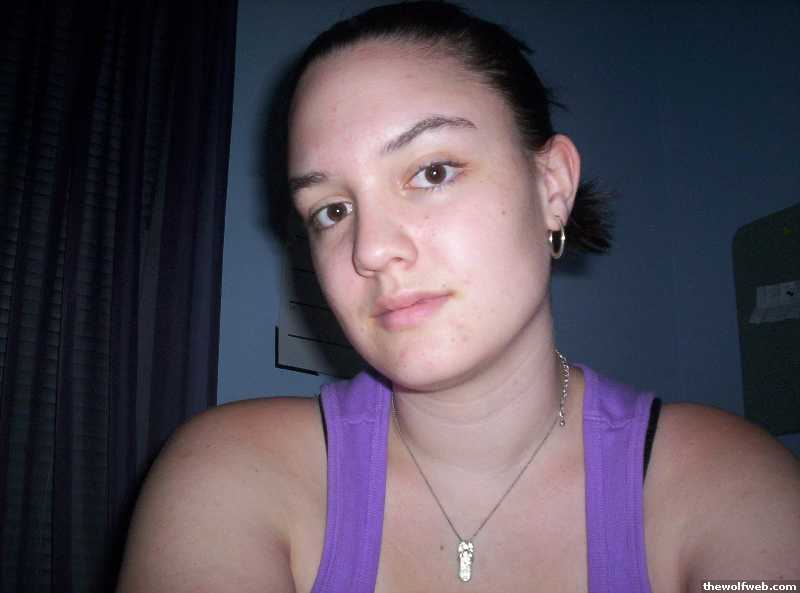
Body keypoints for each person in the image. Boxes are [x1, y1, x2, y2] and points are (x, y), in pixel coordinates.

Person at [116, 2, 800, 592]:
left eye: (433, 171)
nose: (370, 248)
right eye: (331, 210)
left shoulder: (731, 487)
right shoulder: (231, 475)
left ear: (552, 187)